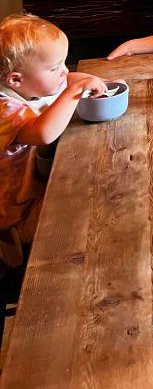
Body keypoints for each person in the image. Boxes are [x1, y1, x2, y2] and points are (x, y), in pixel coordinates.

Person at [0, 14, 108, 274]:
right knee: (91, 211)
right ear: (15, 80)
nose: (65, 71)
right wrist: (74, 92)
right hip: (17, 215)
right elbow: (43, 133)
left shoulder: (29, 85)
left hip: (38, 187)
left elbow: (69, 79)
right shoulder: (5, 109)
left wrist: (91, 83)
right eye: (54, 68)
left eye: (63, 63)